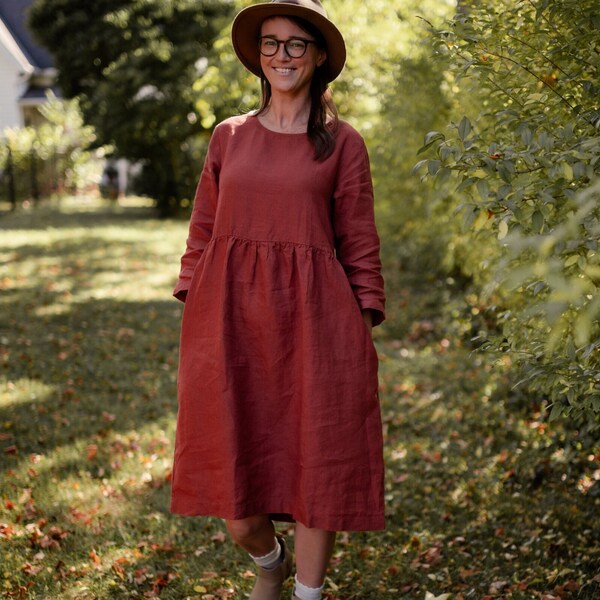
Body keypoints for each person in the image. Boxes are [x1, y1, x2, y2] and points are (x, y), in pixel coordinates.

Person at [170, 1, 386, 598]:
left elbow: (360, 242)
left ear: (319, 57)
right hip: (231, 320)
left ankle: (308, 594)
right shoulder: (229, 137)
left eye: (296, 44)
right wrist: (195, 301)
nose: (282, 55)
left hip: (318, 325)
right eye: (271, 43)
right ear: (257, 55)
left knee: (318, 461)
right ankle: (270, 560)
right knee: (236, 498)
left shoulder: (343, 144)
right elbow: (203, 229)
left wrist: (360, 324)